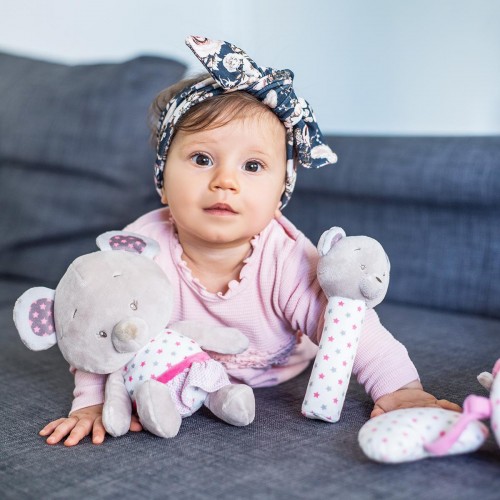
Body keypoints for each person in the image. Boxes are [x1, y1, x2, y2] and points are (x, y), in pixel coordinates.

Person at [40, 36, 460, 446]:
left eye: (253, 166)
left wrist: (400, 389)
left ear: (280, 196)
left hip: (275, 371)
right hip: (174, 374)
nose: (225, 180)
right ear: (162, 180)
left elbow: (350, 325)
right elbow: (96, 321)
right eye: (202, 159)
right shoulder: (139, 250)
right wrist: (91, 402)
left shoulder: (287, 258)